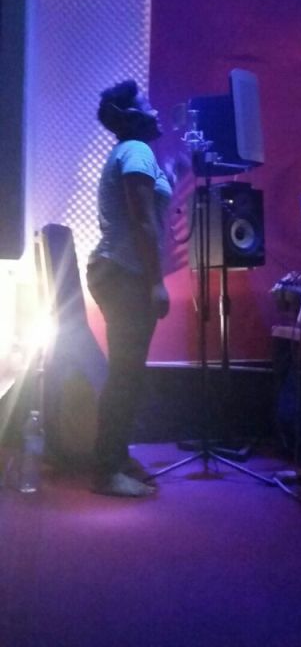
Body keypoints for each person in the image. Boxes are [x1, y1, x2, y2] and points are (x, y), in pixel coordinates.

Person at [87, 79, 172, 497]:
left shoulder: (131, 151)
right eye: (147, 103)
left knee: (128, 373)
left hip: (115, 271)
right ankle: (106, 471)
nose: (155, 110)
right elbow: (142, 221)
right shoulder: (137, 151)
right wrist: (156, 281)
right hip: (125, 274)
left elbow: (146, 204)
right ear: (132, 115)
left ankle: (116, 458)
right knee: (125, 374)